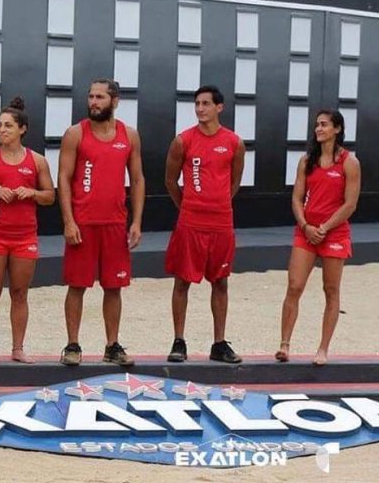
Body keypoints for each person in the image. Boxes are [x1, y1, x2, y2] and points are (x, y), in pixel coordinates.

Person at [57, 80, 145, 366]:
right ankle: (72, 345)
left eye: (100, 97)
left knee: (113, 286)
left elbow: (138, 179)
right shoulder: (75, 134)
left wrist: (137, 221)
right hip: (83, 223)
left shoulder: (129, 136)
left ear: (114, 101)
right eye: (91, 96)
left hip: (115, 223)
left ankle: (112, 346)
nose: (93, 102)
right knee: (77, 285)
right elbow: (64, 179)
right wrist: (69, 221)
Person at [0, 97, 55, 363]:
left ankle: (18, 348)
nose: (2, 130)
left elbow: (50, 196)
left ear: (22, 129)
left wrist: (31, 192)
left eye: (8, 125)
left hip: (24, 237)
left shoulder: (37, 161)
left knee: (20, 293)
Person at [164, 85, 245, 364]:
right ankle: (178, 341)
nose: (200, 108)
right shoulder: (183, 141)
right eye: (197, 104)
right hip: (190, 221)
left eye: (206, 104)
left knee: (220, 282)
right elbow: (170, 181)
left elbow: (234, 181)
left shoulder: (234, 142)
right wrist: (187, 206)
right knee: (182, 280)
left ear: (219, 107)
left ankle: (219, 343)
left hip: (222, 222)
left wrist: (219, 203)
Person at [276, 110, 360, 366]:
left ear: (337, 128)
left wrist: (323, 228)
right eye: (316, 125)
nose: (318, 129)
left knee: (331, 290)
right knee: (294, 286)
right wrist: (305, 225)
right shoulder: (306, 161)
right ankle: (284, 345)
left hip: (334, 232)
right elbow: (296, 198)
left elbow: (350, 204)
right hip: (307, 231)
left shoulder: (349, 162)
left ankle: (323, 349)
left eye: (324, 125)